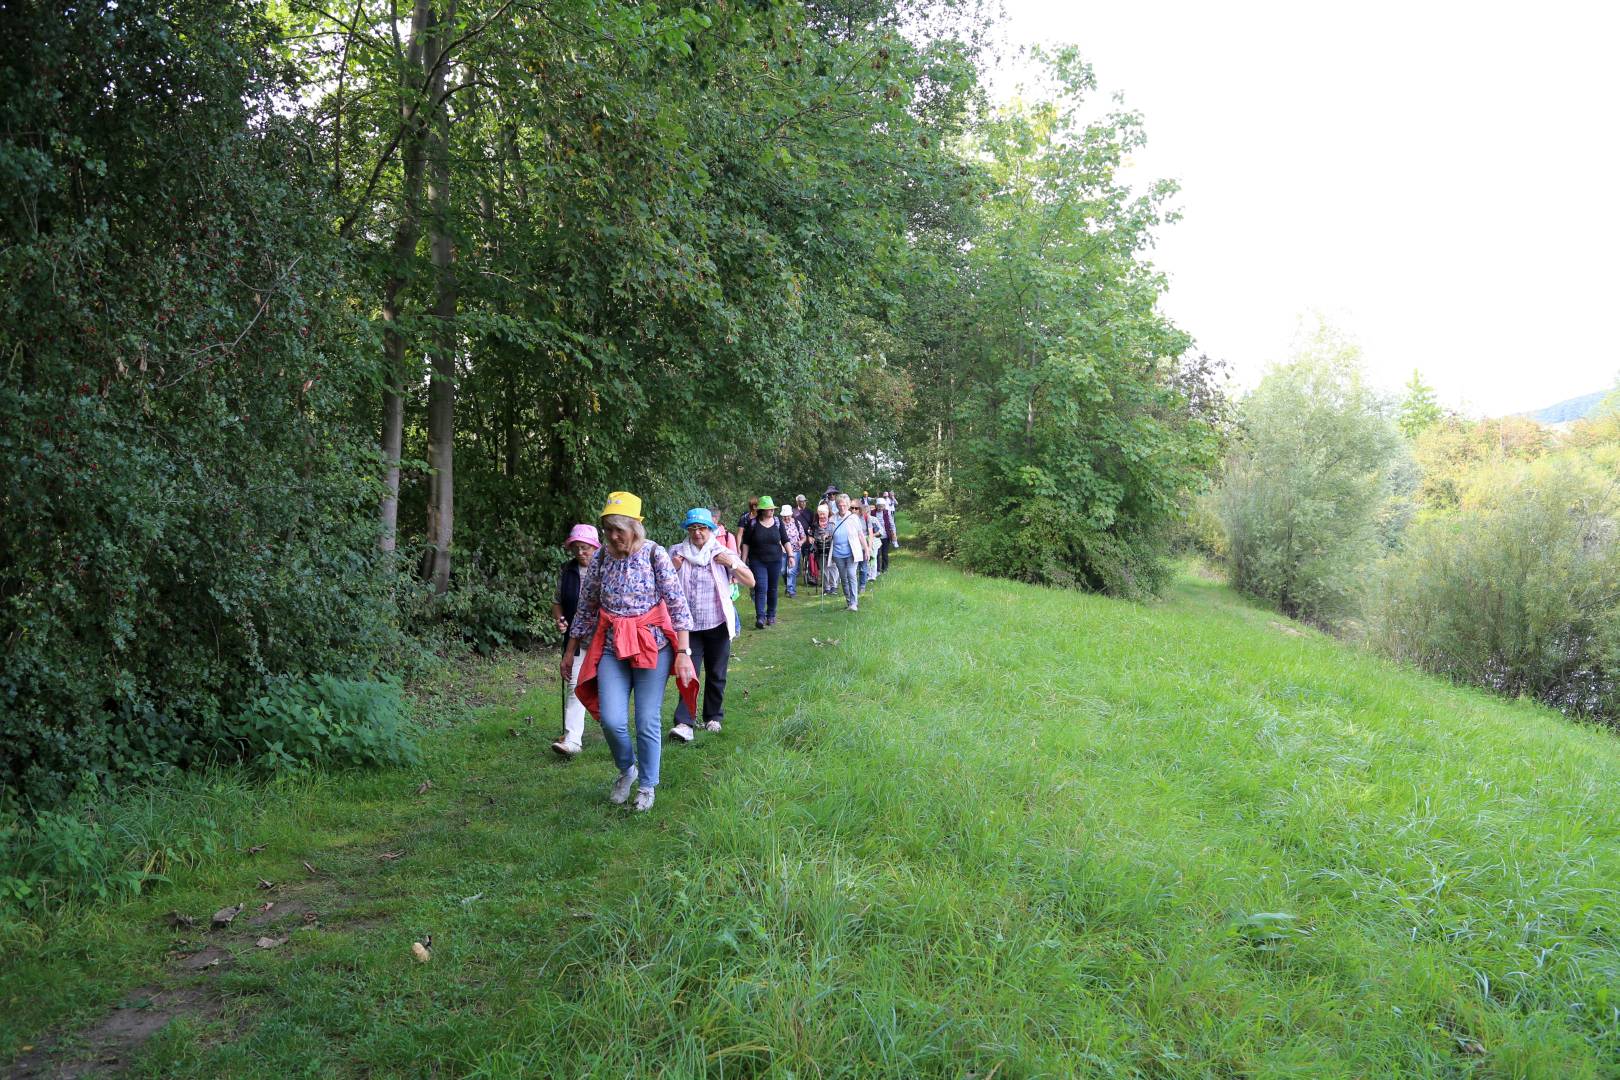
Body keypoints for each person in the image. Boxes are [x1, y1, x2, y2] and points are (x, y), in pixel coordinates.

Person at [563, 491, 697, 813]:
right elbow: (586, 605)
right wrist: (570, 650)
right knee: (611, 719)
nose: (612, 536)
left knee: (647, 719)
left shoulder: (655, 554)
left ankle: (648, 784)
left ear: (636, 527)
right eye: (608, 529)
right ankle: (628, 770)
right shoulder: (601, 558)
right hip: (612, 646)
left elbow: (678, 604)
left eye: (618, 529)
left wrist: (683, 651)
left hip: (652, 645)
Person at [669, 508, 753, 741]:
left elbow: (751, 581)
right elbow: (658, 584)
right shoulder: (676, 553)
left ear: (711, 530)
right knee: (687, 673)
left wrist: (732, 564)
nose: (697, 533)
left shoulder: (722, 552)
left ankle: (713, 717)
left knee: (716, 673)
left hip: (717, 624)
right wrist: (673, 568)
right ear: (687, 530)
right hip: (687, 627)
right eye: (693, 528)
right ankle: (684, 722)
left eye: (702, 528)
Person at [551, 524, 601, 758]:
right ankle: (572, 740)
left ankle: (613, 732)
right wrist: (560, 619)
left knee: (608, 688)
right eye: (577, 548)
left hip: (605, 639)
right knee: (575, 686)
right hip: (576, 639)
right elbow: (557, 600)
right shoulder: (567, 571)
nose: (581, 552)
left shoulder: (606, 567)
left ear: (595, 547)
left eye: (585, 548)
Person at [739, 495, 789, 628]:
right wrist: (743, 562)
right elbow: (746, 543)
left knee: (773, 588)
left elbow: (785, 540)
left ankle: (771, 615)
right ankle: (760, 617)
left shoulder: (778, 522)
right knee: (761, 587)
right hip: (757, 561)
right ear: (761, 510)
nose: (772, 511)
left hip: (775, 560)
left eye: (772, 508)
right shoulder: (753, 523)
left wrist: (790, 556)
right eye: (769, 508)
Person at [829, 492, 868, 611]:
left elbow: (861, 535)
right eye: (840, 505)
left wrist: (866, 549)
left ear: (848, 505)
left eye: (844, 505)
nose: (842, 507)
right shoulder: (832, 519)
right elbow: (829, 534)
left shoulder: (853, 518)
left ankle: (854, 603)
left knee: (851, 575)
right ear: (837, 505)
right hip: (837, 553)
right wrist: (826, 535)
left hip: (851, 552)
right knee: (843, 578)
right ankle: (849, 601)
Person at [780, 506, 804, 599]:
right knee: (783, 571)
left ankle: (791, 591)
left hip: (795, 550)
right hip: (782, 550)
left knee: (791, 571)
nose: (786, 518)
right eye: (784, 516)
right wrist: (781, 546)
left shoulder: (797, 523)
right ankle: (788, 586)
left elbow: (803, 536)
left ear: (791, 514)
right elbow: (777, 537)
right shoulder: (779, 524)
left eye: (788, 516)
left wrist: (801, 542)